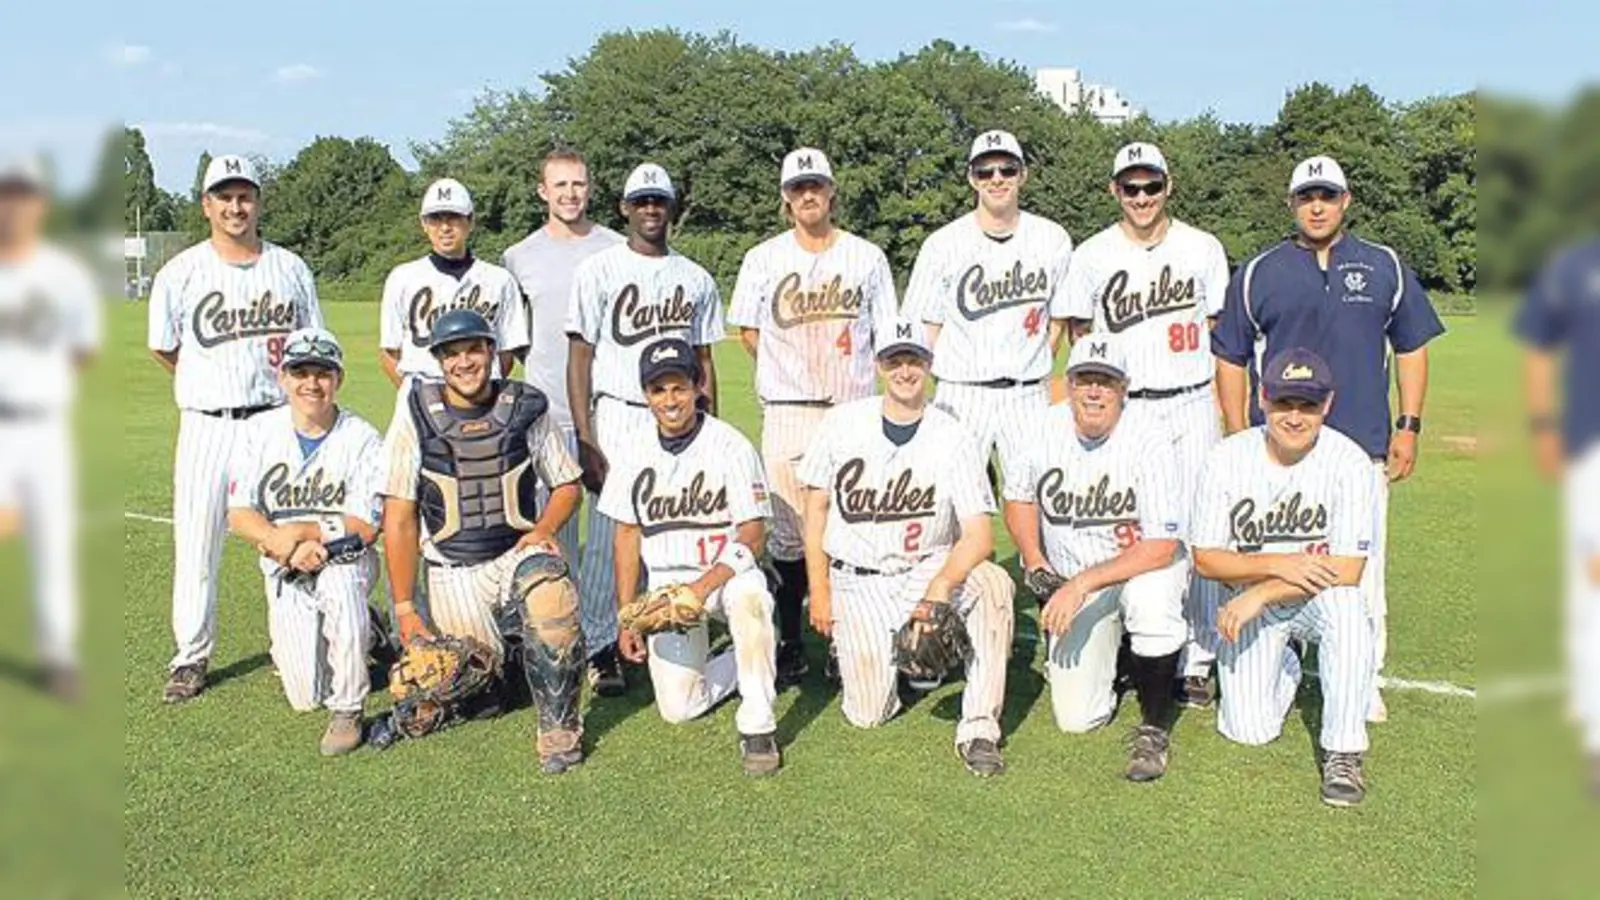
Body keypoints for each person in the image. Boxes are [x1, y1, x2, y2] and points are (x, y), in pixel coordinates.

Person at [1210, 154, 1445, 723]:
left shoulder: (1383, 264)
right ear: (1291, 203)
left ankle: (1362, 679)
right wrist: (1242, 438)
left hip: (1360, 446)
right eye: (1307, 196)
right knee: (1272, 559)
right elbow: (1229, 357)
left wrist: (1408, 426)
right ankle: (1277, 656)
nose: (1317, 206)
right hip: (1279, 450)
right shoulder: (1259, 271)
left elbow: (1412, 346)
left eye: (1328, 195)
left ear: (1347, 200)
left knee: (1363, 571)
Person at [798, 319, 1016, 777]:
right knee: (868, 715)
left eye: (913, 359)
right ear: (879, 366)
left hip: (925, 567)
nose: (904, 370)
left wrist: (940, 587)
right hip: (857, 578)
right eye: (895, 360)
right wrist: (818, 589)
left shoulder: (953, 435)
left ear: (929, 365)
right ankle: (895, 654)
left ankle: (978, 727)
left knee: (993, 585)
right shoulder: (842, 424)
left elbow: (979, 533)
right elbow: (814, 508)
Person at [1058, 141, 1232, 708]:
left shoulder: (1202, 247)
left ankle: (1199, 657)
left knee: (1198, 527)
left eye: (1150, 185)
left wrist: (1229, 414)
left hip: (1189, 400)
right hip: (1127, 408)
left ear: (1168, 186)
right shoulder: (1091, 254)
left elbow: (1219, 328)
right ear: (1114, 191)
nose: (1140, 196)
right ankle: (1138, 644)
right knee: (1129, 525)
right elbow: (1077, 332)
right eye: (1130, 187)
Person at [148, 154, 324, 704]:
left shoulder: (290, 267)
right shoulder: (181, 272)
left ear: (257, 201)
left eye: (244, 195)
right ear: (207, 205)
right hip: (207, 423)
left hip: (274, 419)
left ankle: (293, 644)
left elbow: (312, 345)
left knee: (286, 536)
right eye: (223, 196)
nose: (235, 206)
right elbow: (164, 346)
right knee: (197, 542)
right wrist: (209, 386)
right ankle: (191, 656)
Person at [379, 309, 587, 773]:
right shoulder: (415, 412)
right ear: (438, 361)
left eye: (473, 349)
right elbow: (399, 515)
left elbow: (567, 486)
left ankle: (559, 728)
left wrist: (544, 529)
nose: (464, 362)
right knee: (480, 691)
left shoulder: (526, 405)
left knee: (550, 590)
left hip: (513, 553)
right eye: (451, 354)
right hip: (453, 569)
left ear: (492, 351)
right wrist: (405, 609)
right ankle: (383, 636)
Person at [727, 147, 898, 686]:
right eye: (798, 188)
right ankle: (793, 638)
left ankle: (847, 635)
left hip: (851, 408)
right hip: (788, 409)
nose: (808, 195)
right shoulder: (763, 258)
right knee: (788, 534)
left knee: (853, 523)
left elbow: (887, 334)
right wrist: (790, 371)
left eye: (816, 186)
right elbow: (748, 331)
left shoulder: (866, 257)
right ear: (786, 198)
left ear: (831, 192)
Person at [1191, 347, 1382, 807]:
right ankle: (1289, 663)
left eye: (1308, 404)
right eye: (1284, 402)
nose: (1295, 417)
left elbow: (1349, 569)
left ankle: (1343, 751)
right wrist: (1276, 566)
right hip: (1252, 595)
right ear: (1262, 399)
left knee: (1349, 610)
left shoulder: (1350, 463)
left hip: (1315, 598)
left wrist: (1265, 591)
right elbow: (1206, 559)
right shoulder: (1227, 458)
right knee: (1248, 732)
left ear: (1328, 405)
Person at [565, 162, 724, 698]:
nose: (651, 209)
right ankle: (602, 645)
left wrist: (713, 428)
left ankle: (673, 622)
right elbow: (579, 358)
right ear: (625, 208)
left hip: (681, 412)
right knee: (610, 534)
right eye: (642, 201)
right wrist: (586, 437)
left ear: (671, 208)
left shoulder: (695, 276)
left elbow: (703, 360)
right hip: (620, 411)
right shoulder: (598, 270)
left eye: (660, 201)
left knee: (679, 520)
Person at [1002, 334, 1189, 781]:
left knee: (1150, 602)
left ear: (1124, 389)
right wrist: (1034, 560)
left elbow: (1160, 547)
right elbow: (1018, 499)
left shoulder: (1151, 437)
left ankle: (1154, 724)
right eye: (1085, 378)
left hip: (1143, 567)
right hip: (1073, 578)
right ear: (1068, 384)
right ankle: (1123, 659)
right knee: (1077, 719)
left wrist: (1081, 584)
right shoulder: (1040, 428)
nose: (1093, 391)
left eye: (1106, 382)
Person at [602, 338, 781, 775]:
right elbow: (626, 535)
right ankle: (750, 658)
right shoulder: (631, 448)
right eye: (659, 389)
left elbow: (753, 535)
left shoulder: (730, 445)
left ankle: (758, 725)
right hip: (666, 585)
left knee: (750, 600)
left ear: (698, 386)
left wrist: (701, 589)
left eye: (679, 387)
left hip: (722, 576)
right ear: (646, 395)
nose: (670, 399)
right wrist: (627, 615)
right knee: (680, 708)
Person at [224, 328, 383, 755]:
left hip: (344, 558)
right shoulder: (258, 431)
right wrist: (285, 543)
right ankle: (374, 635)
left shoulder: (361, 436)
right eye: (301, 372)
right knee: (304, 696)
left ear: (339, 379)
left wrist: (306, 534)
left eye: (323, 373)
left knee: (341, 588)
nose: (312, 384)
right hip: (285, 563)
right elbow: (239, 513)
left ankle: (348, 710)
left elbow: (366, 525)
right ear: (283, 378)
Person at [901, 129, 1073, 483]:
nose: (996, 179)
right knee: (947, 502)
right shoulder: (943, 244)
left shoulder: (1051, 238)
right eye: (985, 171)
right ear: (971, 178)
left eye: (1007, 170)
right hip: (962, 392)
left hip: (1026, 393)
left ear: (1022, 175)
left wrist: (1035, 359)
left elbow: (1059, 317)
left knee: (1039, 498)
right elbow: (922, 330)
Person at [0, 155, 101, 701]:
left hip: (45, 426)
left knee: (52, 542)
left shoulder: (63, 275)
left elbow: (81, 350)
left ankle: (56, 656)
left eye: (24, 197)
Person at [501, 149, 624, 578]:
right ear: (542, 192)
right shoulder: (518, 257)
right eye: (560, 185)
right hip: (549, 411)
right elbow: (515, 335)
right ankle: (564, 634)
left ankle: (613, 634)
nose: (570, 194)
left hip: (608, 409)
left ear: (589, 188)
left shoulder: (616, 248)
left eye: (578, 184)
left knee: (614, 530)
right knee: (557, 533)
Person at [1514, 239, 1600, 797]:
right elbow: (1538, 347)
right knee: (1593, 589)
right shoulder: (1574, 264)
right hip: (1592, 450)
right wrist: (1544, 425)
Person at [378, 178, 527, 387]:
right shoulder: (402, 278)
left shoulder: (500, 279)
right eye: (436, 219)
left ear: (471, 221)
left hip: (482, 398)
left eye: (454, 218)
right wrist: (412, 399)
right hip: (422, 389)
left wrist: (478, 388)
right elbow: (390, 352)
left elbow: (506, 351)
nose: (445, 227)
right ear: (424, 224)